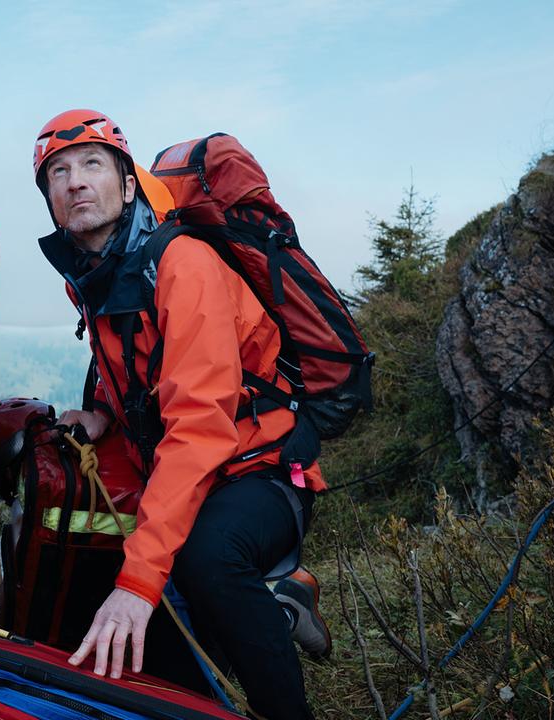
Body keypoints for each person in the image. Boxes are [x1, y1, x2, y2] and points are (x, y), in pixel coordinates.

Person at [31, 109, 330, 719]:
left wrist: (137, 586)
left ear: (128, 179)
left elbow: (199, 423)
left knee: (204, 558)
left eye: (92, 164)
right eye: (56, 173)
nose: (75, 182)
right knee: (150, 559)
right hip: (197, 467)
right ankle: (274, 609)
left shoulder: (181, 262)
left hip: (262, 468)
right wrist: (101, 414)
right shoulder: (96, 272)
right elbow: (139, 372)